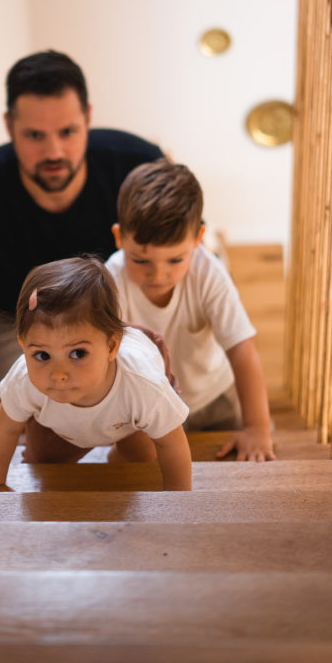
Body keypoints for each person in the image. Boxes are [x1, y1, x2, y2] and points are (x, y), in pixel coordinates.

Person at [0, 49, 163, 444]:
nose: (54, 153)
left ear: (88, 119)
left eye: (68, 132)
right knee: (28, 406)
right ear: (10, 126)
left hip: (123, 305)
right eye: (34, 136)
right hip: (18, 324)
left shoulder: (137, 164)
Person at [105, 158, 275, 462]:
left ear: (198, 239)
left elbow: (241, 349)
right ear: (119, 238)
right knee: (141, 474)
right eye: (141, 261)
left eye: (174, 260)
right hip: (147, 408)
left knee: (236, 468)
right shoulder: (111, 280)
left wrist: (257, 427)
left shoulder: (208, 272)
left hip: (213, 399)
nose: (158, 275)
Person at [0, 256, 192, 491]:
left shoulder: (143, 384)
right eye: (42, 356)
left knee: (141, 456)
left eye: (78, 354)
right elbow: (3, 431)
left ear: (112, 347)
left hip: (129, 419)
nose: (58, 374)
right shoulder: (23, 380)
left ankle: (119, 456)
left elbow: (172, 444)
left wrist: (178, 500)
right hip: (59, 426)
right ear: (23, 345)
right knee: (43, 465)